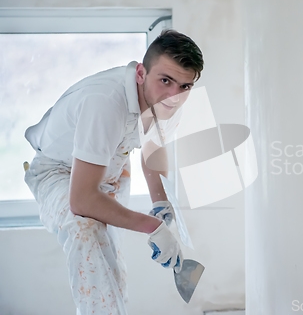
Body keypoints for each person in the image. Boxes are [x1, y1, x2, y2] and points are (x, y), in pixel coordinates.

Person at [23, 29, 204, 315]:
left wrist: (159, 201)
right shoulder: (105, 103)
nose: (174, 95)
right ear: (141, 73)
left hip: (110, 164)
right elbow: (81, 200)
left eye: (185, 86)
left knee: (110, 265)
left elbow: (150, 143)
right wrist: (151, 226)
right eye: (166, 80)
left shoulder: (164, 98)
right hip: (59, 171)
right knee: (87, 231)